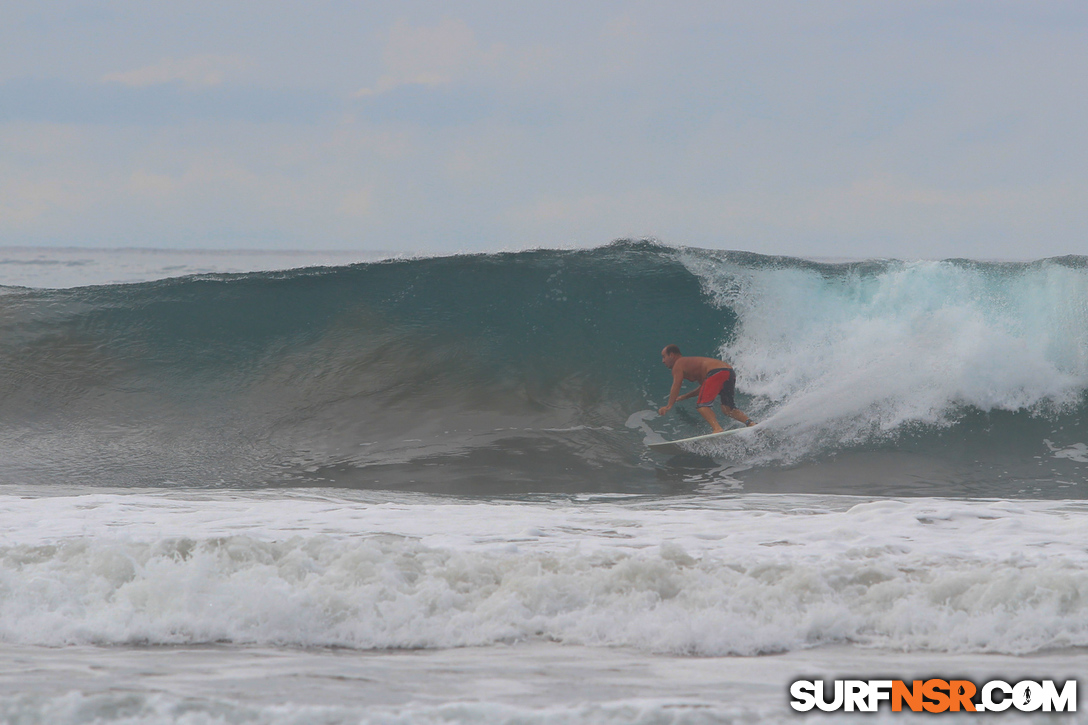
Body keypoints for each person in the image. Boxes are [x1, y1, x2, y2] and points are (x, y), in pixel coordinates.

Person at [657, 344, 754, 432]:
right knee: (728, 409)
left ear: (672, 355)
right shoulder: (691, 365)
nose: (663, 361)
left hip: (717, 372)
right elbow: (705, 387)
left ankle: (717, 428)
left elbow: (676, 385)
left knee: (702, 406)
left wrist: (669, 406)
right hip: (728, 372)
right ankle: (750, 423)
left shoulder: (678, 364)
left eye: (664, 357)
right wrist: (685, 396)